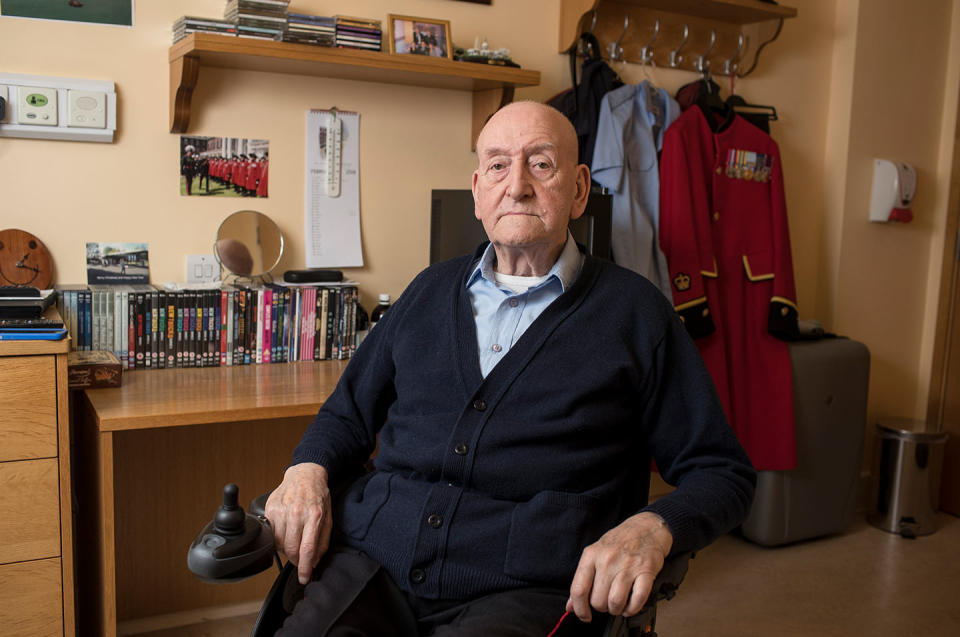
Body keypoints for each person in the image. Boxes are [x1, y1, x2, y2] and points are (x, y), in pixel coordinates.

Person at [265, 101, 755, 636]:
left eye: (541, 163)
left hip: (528, 586)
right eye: (498, 165)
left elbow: (722, 473)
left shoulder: (637, 314)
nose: (517, 184)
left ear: (580, 188)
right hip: (375, 560)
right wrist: (306, 470)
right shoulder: (427, 291)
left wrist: (656, 526)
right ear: (478, 191)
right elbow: (346, 416)